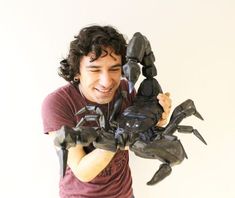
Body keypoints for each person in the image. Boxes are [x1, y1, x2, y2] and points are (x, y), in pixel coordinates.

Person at [41, 25, 172, 198]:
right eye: (94, 70)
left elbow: (142, 137)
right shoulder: (58, 103)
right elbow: (82, 171)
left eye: (114, 69)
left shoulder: (126, 89)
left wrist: (158, 119)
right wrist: (121, 138)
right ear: (77, 72)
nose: (106, 82)